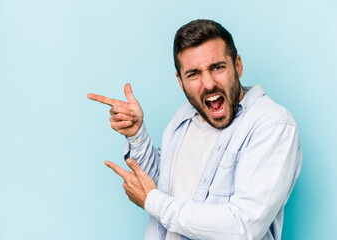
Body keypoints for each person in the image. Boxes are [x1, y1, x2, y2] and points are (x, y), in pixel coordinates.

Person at [87, 19, 302, 240]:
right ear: (180, 81)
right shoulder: (184, 116)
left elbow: (242, 226)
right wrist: (136, 134)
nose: (208, 83)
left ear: (237, 65)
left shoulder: (272, 125)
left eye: (217, 67)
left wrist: (152, 202)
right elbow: (164, 185)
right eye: (193, 74)